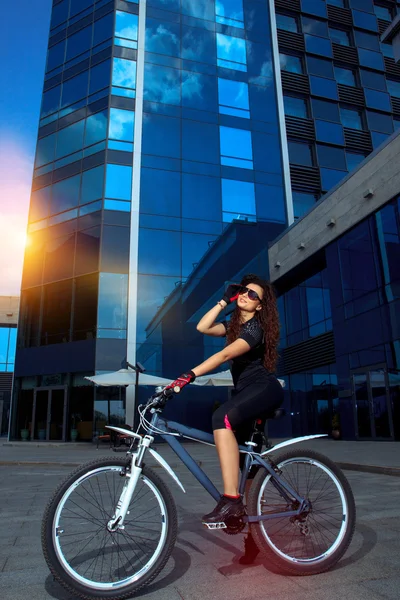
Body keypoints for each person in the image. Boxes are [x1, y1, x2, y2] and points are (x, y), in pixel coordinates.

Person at [165, 274, 284, 563]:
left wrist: (189, 375)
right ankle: (254, 537)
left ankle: (230, 502)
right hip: (245, 394)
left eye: (253, 295)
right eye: (243, 291)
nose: (245, 295)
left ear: (259, 307)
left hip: (263, 389)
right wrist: (223, 300)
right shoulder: (233, 326)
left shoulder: (255, 329)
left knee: (222, 418)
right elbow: (202, 326)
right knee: (247, 470)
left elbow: (224, 355)